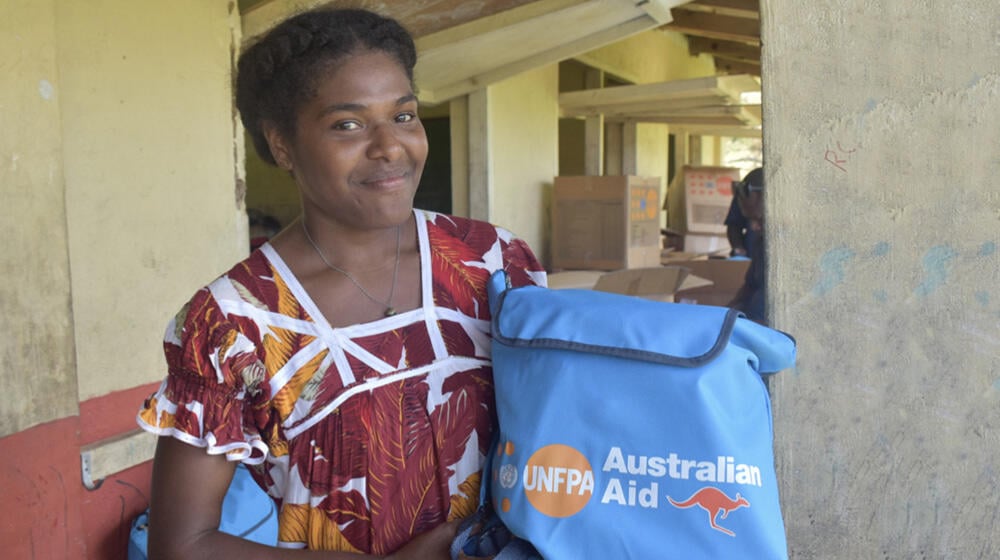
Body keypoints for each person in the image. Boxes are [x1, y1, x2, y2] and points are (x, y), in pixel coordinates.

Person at [136, 8, 546, 559]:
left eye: (404, 115)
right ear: (281, 144)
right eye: (348, 125)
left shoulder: (489, 262)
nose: (390, 147)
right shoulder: (236, 323)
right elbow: (180, 546)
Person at [727, 167, 766, 324]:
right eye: (749, 221)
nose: (753, 227)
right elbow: (749, 286)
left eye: (759, 220)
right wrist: (726, 313)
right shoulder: (761, 244)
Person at [724, 167, 764, 259]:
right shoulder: (744, 191)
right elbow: (734, 225)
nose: (753, 227)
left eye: (759, 221)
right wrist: (738, 249)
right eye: (750, 219)